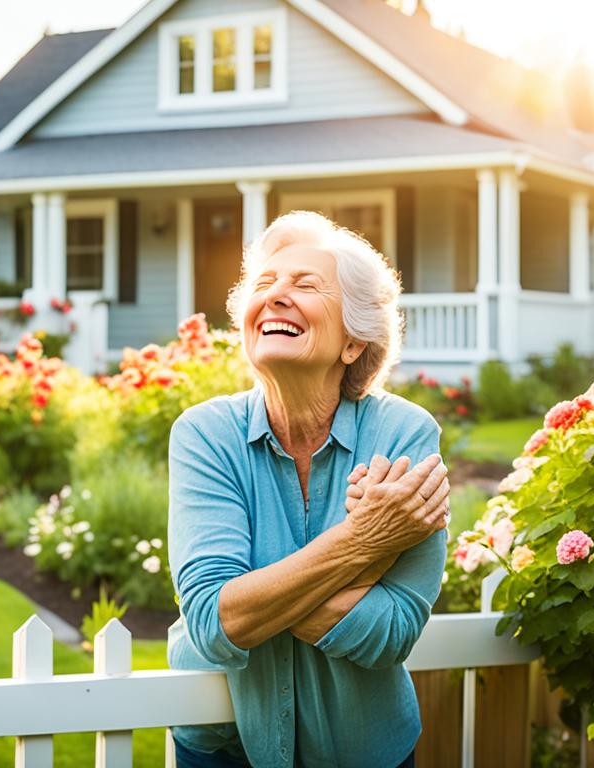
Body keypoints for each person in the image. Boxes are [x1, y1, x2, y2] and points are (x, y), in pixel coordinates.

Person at [167, 210, 451, 768]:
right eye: (265, 284)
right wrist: (363, 545)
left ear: (352, 342)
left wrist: (259, 587)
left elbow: (390, 634)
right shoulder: (204, 434)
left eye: (305, 285)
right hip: (222, 749)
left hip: (365, 750)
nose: (275, 296)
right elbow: (213, 622)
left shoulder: (403, 434)